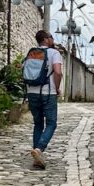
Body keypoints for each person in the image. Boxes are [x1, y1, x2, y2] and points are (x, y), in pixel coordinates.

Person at [26, 29, 62, 169]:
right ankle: (39, 149)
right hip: (48, 92)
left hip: (32, 92)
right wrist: (57, 87)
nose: (52, 39)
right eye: (51, 37)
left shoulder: (31, 53)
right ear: (46, 39)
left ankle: (37, 157)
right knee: (51, 123)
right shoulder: (54, 53)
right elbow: (57, 72)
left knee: (38, 123)